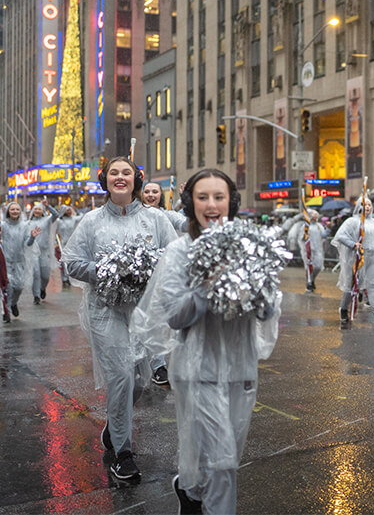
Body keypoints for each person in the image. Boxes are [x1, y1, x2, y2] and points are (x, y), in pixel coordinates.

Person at [131, 168, 280, 515]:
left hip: (241, 370)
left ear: (231, 202)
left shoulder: (250, 248)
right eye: (202, 197)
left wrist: (255, 284)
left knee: (221, 455)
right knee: (223, 460)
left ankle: (190, 489)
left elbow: (267, 310)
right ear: (190, 204)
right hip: (197, 370)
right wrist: (206, 283)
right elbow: (175, 317)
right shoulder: (179, 253)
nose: (211, 204)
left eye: (219, 197)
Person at [62, 156, 177, 483]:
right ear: (105, 179)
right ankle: (124, 452)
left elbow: (176, 255)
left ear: (136, 179)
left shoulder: (155, 220)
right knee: (122, 376)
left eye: (126, 172)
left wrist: (148, 272)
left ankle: (114, 427)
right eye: (114, 172)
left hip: (143, 312)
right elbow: (72, 261)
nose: (120, 177)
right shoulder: (92, 221)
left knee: (139, 381)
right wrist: (108, 272)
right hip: (105, 310)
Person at [140, 181, 187, 387]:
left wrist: (188, 200)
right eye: (147, 191)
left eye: (155, 192)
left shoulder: (166, 216)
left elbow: (186, 224)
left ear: (161, 195)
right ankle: (135, 364)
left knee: (157, 320)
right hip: (133, 279)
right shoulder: (132, 215)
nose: (150, 195)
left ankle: (158, 366)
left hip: (159, 279)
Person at [333, 196, 374, 325]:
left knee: (373, 285)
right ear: (359, 206)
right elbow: (340, 236)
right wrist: (353, 244)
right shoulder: (352, 222)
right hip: (358, 259)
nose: (368, 207)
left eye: (370, 205)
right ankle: (344, 309)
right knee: (351, 285)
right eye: (365, 204)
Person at [0, 202, 39, 322]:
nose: (15, 211)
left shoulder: (24, 225)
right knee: (8, 287)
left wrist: (32, 237)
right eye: (12, 209)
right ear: (8, 211)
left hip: (20, 261)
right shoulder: (3, 226)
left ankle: (13, 303)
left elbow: (27, 244)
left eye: (17, 209)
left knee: (19, 286)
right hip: (7, 262)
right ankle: (6, 311)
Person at [28, 200, 60, 304]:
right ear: (33, 211)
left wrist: (48, 206)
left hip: (44, 252)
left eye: (39, 209)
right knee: (36, 274)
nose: (37, 211)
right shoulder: (28, 223)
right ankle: (36, 296)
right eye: (35, 209)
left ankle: (42, 288)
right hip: (33, 252)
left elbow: (56, 214)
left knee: (45, 276)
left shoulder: (46, 220)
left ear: (42, 211)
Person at [288, 208, 327, 292]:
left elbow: (324, 235)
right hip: (308, 251)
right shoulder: (305, 226)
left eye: (316, 216)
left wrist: (329, 229)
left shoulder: (319, 226)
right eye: (314, 216)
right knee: (309, 267)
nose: (315, 218)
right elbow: (301, 239)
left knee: (318, 267)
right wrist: (305, 248)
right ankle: (309, 283)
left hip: (318, 250)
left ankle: (312, 280)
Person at [55, 206, 82, 287]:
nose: (69, 212)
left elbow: (82, 217)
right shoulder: (59, 221)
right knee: (63, 262)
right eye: (67, 210)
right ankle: (64, 279)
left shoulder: (74, 219)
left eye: (70, 210)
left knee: (71, 262)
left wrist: (77, 211)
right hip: (62, 244)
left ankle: (70, 277)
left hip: (73, 244)